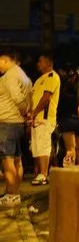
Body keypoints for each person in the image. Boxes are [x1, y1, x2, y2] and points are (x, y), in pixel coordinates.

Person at [0, 51, 32, 208]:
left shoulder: (10, 75)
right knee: (17, 160)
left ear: (5, 60)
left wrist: (24, 112)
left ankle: (11, 195)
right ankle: (14, 193)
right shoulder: (24, 76)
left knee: (8, 160)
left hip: (8, 122)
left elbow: (17, 98)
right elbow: (29, 98)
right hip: (18, 124)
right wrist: (26, 114)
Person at [29, 51, 61, 186]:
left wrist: (34, 112)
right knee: (36, 147)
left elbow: (46, 98)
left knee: (43, 147)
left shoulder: (52, 76)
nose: (38, 64)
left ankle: (44, 174)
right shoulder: (39, 79)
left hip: (45, 118)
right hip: (36, 119)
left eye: (40, 61)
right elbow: (34, 98)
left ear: (48, 63)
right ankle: (41, 174)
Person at [57, 67, 79, 166]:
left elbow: (60, 106)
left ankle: (71, 170)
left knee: (70, 149)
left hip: (67, 121)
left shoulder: (65, 89)